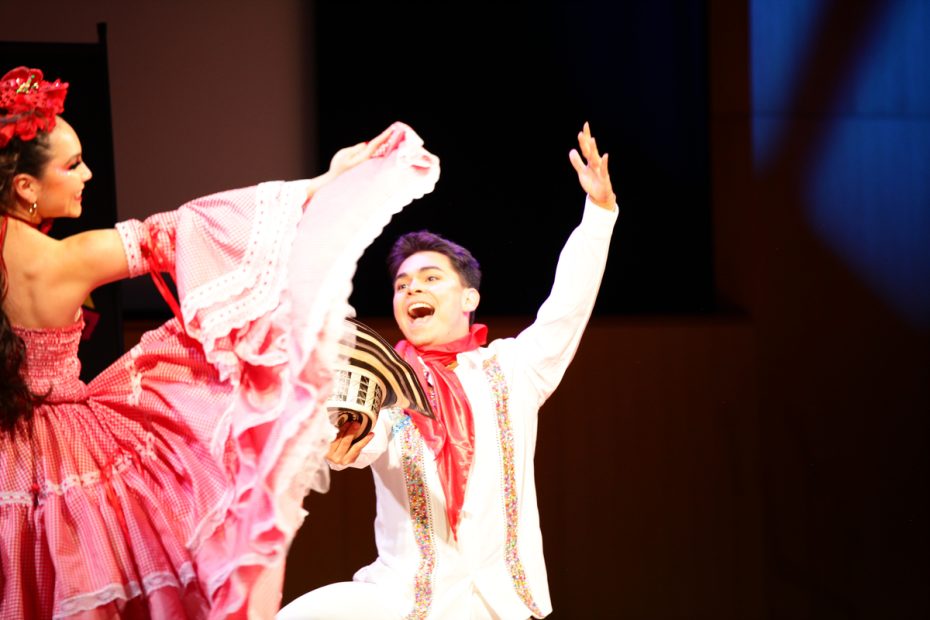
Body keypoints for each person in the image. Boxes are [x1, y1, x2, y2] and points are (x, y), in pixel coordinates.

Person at [0, 66, 439, 619]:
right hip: (65, 452)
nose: (86, 173)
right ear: (25, 187)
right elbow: (182, 231)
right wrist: (321, 185)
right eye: (71, 164)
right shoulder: (66, 258)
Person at [279, 122, 618, 620]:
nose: (412, 289)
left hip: (501, 602)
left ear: (469, 298)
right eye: (401, 284)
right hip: (405, 600)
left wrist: (599, 214)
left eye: (430, 278)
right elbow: (365, 439)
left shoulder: (512, 369)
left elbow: (567, 306)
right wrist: (346, 438)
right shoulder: (385, 383)